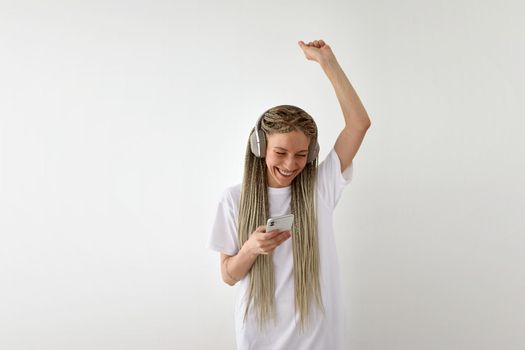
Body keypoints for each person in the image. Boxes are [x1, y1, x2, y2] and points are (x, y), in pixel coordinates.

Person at [208, 39, 371, 350]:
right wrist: (251, 249)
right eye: (280, 152)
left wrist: (328, 63)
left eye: (301, 155)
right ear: (259, 147)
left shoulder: (320, 189)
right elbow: (228, 276)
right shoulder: (233, 199)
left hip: (318, 340)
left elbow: (359, 124)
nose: (290, 164)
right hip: (259, 339)